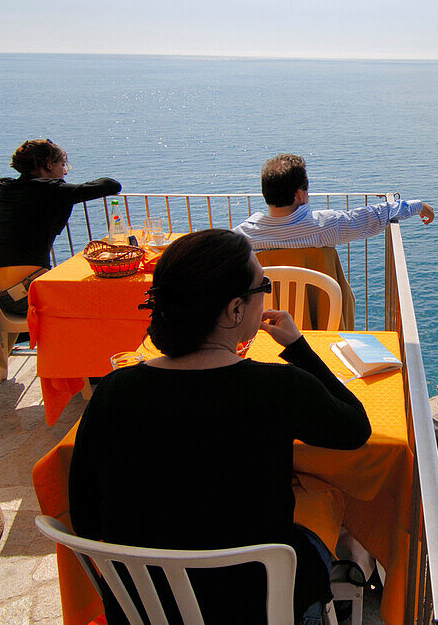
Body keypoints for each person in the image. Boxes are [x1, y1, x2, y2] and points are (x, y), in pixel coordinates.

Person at [68, 229, 370, 624]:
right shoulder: (279, 388)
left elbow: (86, 518)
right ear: (235, 310)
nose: (267, 292)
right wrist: (298, 347)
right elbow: (355, 427)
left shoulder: (113, 390)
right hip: (259, 605)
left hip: (148, 608)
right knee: (320, 533)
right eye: (263, 285)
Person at [0, 139, 121, 315]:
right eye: (62, 164)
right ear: (49, 164)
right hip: (23, 293)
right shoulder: (50, 190)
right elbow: (111, 185)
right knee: (102, 298)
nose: (64, 172)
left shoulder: (8, 188)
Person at [232, 154, 435, 251]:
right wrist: (418, 206)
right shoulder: (325, 226)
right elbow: (374, 215)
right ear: (300, 195)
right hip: (322, 320)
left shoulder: (241, 237)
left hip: (264, 322)